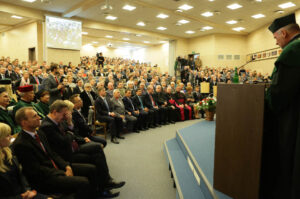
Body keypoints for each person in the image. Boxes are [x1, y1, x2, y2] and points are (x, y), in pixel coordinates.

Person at [39, 100, 124, 198]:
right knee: (95, 155)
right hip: (66, 156)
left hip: (72, 148)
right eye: (64, 114)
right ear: (55, 112)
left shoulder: (58, 120)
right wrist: (69, 135)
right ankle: (103, 186)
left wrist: (69, 123)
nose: (65, 116)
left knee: (96, 153)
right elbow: (65, 140)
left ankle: (104, 185)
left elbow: (70, 132)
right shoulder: (47, 126)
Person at [11, 107, 98, 199]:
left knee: (91, 169)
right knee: (83, 182)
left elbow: (52, 154)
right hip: (45, 178)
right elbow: (35, 170)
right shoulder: (21, 144)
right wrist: (60, 173)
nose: (39, 118)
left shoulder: (39, 133)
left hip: (54, 168)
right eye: (34, 116)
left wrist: (66, 166)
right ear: (24, 122)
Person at [260, 13, 300, 199]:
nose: (275, 42)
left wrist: (265, 101)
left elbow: (278, 94)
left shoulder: (292, 51)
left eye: (275, 37)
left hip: (291, 119)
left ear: (283, 33)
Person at [0, 123, 51, 199]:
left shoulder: (8, 152)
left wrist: (27, 191)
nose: (11, 137)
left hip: (25, 194)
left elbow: (21, 176)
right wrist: (21, 197)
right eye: (7, 135)